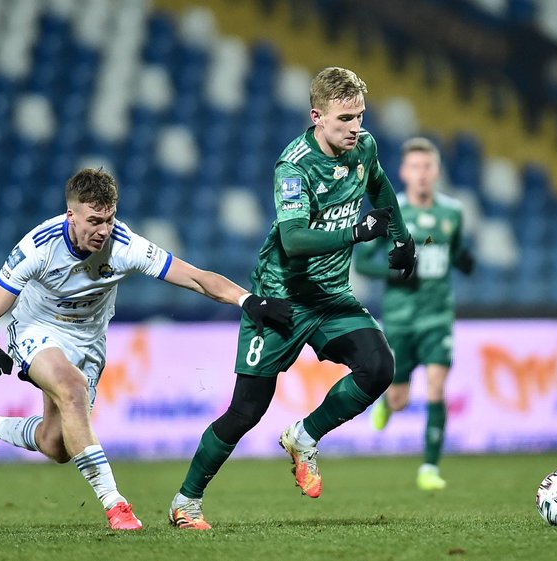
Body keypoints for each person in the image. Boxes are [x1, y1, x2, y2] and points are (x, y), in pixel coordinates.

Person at [0, 167, 293, 531]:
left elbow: (195, 277)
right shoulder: (38, 247)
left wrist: (247, 300)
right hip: (37, 330)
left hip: (89, 341)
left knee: (56, 445)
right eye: (94, 220)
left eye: (109, 219)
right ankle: (116, 504)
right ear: (71, 215)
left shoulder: (125, 245)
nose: (103, 230)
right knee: (72, 390)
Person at [168, 67, 417, 530]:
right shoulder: (294, 165)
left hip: (329, 297)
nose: (355, 127)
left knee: (379, 366)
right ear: (317, 116)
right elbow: (295, 238)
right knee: (245, 411)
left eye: (360, 116)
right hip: (280, 300)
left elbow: (380, 186)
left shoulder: (364, 147)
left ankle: (304, 436)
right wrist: (356, 232)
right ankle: (186, 501)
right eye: (345, 118)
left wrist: (401, 239)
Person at [354, 137, 475, 491]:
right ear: (404, 173)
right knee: (400, 398)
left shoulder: (452, 212)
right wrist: (396, 273)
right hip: (401, 318)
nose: (422, 174)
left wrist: (463, 261)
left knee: (437, 385)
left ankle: (429, 468)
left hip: (437, 317)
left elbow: (451, 252)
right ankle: (388, 405)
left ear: (436, 171)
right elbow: (362, 261)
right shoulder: (393, 212)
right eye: (415, 167)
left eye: (428, 167)